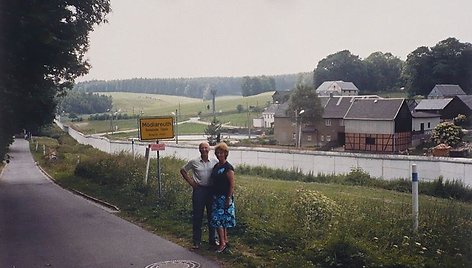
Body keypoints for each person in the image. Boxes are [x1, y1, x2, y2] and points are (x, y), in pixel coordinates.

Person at [180, 142, 219, 249]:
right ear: (199, 150)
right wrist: (191, 182)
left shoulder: (215, 161)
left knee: (212, 215)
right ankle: (196, 241)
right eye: (202, 148)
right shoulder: (194, 162)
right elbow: (183, 170)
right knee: (198, 216)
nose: (204, 150)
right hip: (199, 191)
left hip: (211, 190)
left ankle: (213, 240)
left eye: (206, 148)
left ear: (209, 149)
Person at [210, 142, 236, 253]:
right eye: (217, 153)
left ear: (226, 154)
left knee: (218, 221)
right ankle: (225, 240)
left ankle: (222, 244)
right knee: (221, 221)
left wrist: (228, 198)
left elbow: (231, 184)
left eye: (221, 153)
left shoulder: (228, 167)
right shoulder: (217, 166)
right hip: (216, 197)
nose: (219, 155)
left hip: (224, 197)